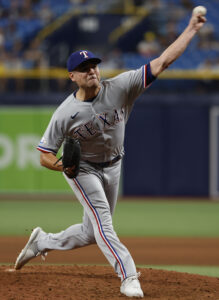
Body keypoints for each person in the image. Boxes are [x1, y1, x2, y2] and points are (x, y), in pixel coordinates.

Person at [14, 11, 206, 298]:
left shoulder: (122, 86)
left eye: (93, 64)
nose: (91, 70)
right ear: (72, 76)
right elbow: (44, 154)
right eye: (84, 67)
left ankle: (42, 242)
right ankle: (128, 275)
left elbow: (164, 61)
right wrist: (64, 167)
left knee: (91, 232)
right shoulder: (65, 114)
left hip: (114, 165)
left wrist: (191, 28)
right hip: (84, 170)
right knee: (104, 223)